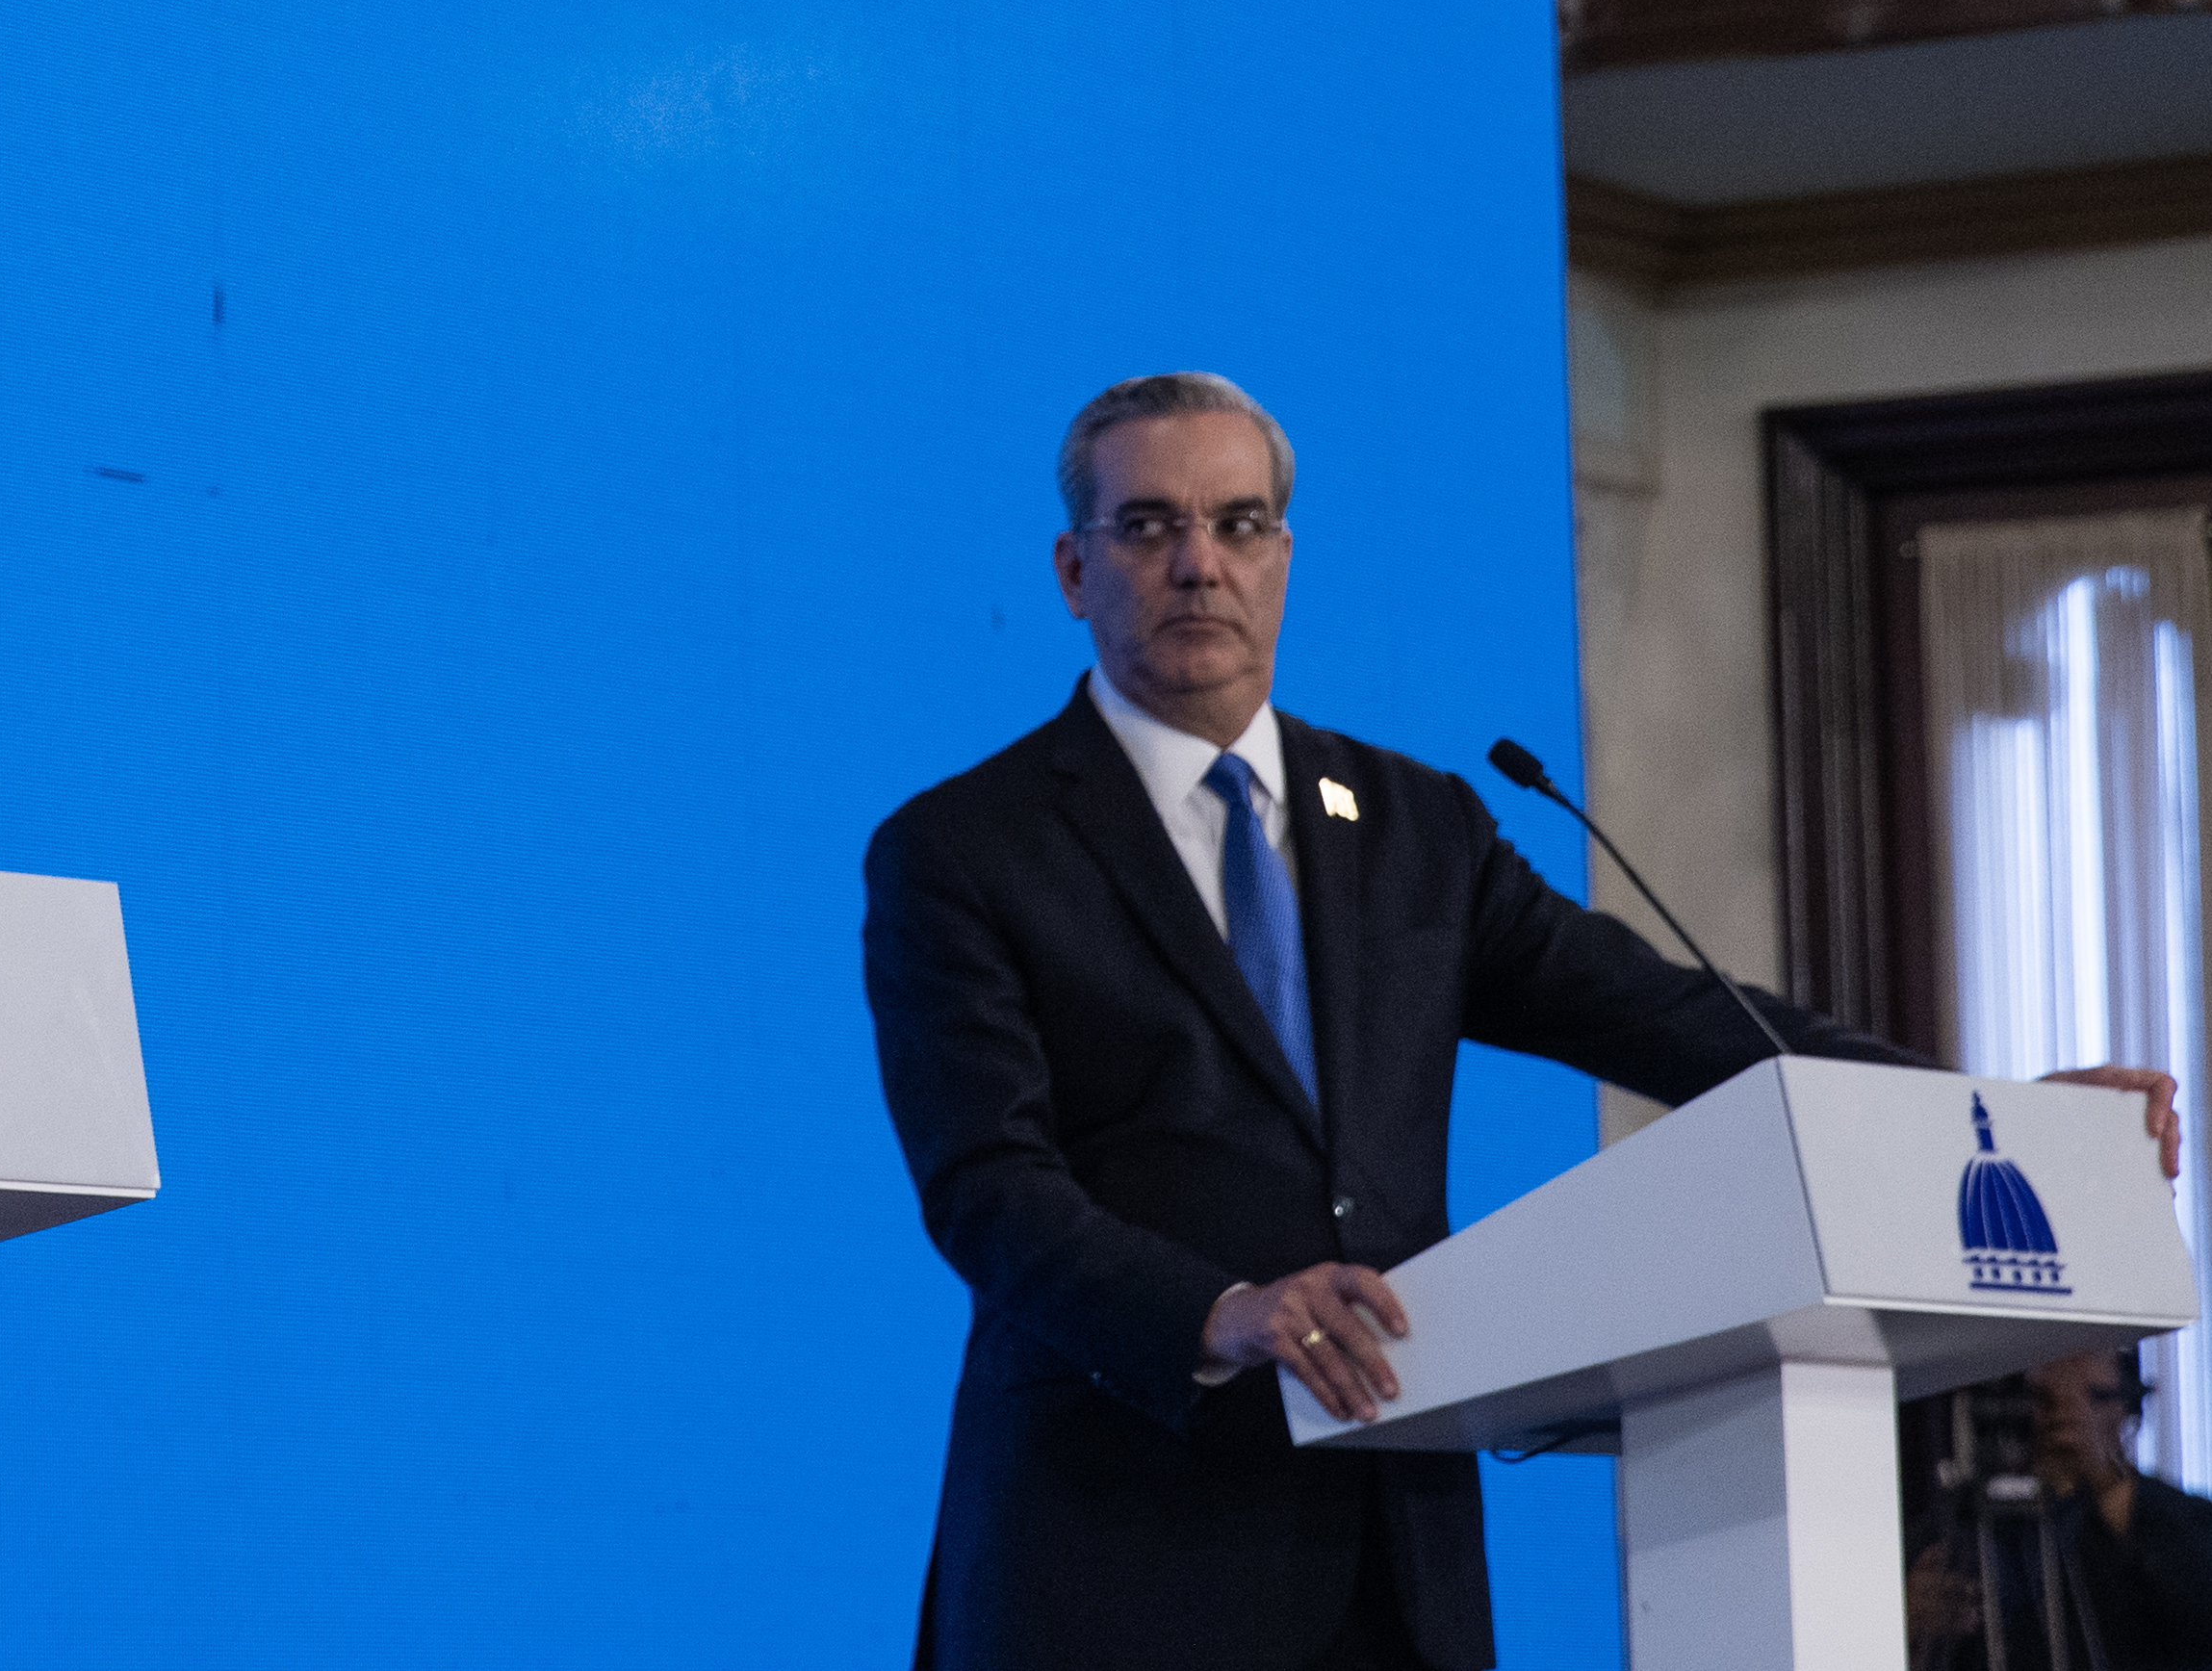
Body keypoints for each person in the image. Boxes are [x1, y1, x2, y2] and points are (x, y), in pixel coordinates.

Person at [860, 371, 2181, 1671]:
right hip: (1115, 1541)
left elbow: (1674, 1020)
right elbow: (989, 1184)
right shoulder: (967, 848)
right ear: (1073, 569)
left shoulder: (1411, 825)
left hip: (1396, 1548)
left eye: (1239, 522)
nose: (1199, 562)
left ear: (1284, 555)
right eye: (1148, 525)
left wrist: (1987, 1111)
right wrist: (1220, 1310)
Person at [1911, 1350, 2212, 1670]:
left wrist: (2104, 1477)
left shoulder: (2182, 1520)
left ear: (2125, 1406)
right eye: (2045, 1395)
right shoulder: (1963, 1525)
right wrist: (1910, 1615)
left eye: (2092, 1395)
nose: (2065, 1407)